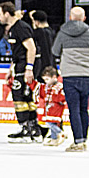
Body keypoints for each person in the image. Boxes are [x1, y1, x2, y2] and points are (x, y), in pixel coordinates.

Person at [51, 6, 89, 152]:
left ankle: (78, 141)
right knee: (83, 109)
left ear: (70, 17)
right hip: (86, 75)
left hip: (69, 76)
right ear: (84, 18)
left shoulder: (62, 34)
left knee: (74, 110)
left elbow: (55, 51)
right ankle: (83, 140)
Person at [0, 2, 42, 142]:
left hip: (26, 65)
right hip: (20, 65)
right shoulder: (13, 29)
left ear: (6, 13)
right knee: (26, 97)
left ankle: (26, 129)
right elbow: (17, 52)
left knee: (19, 96)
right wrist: (12, 69)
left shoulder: (20, 27)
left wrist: (29, 68)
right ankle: (34, 129)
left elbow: (31, 48)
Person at [29, 9, 56, 138]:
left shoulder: (39, 33)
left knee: (40, 100)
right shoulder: (51, 31)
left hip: (43, 69)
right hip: (52, 68)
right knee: (51, 101)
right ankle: (53, 128)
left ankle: (45, 128)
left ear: (37, 22)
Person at [35, 67, 67, 147]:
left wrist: (56, 99)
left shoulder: (59, 86)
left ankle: (60, 133)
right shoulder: (47, 86)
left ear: (54, 77)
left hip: (56, 108)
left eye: (47, 79)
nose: (46, 81)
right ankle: (54, 139)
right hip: (49, 108)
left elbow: (62, 97)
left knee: (49, 122)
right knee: (51, 122)